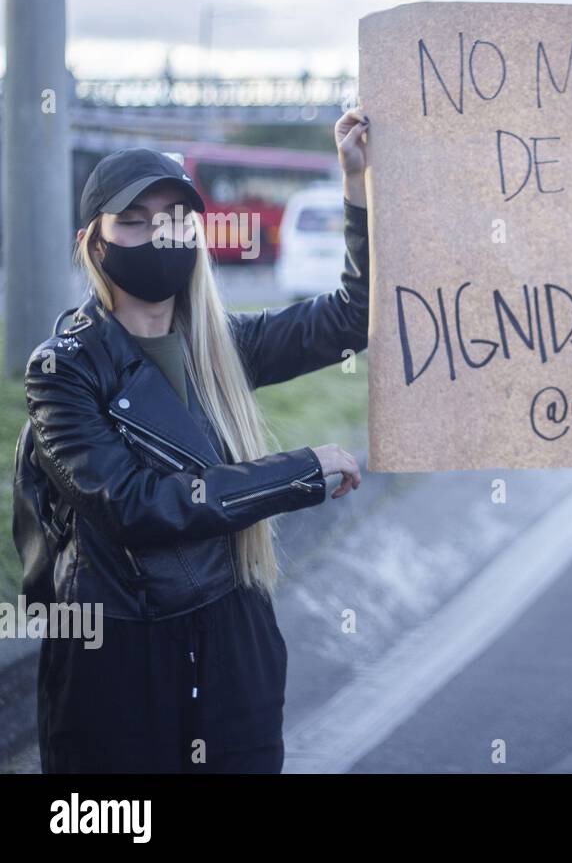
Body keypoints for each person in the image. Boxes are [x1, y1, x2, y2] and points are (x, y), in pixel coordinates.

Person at [22, 108, 372, 773]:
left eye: (174, 218)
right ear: (92, 243)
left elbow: (354, 316)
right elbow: (137, 506)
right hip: (117, 654)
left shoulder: (224, 345)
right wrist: (298, 472)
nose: (158, 234)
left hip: (233, 638)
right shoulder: (62, 369)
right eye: (133, 220)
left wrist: (355, 184)